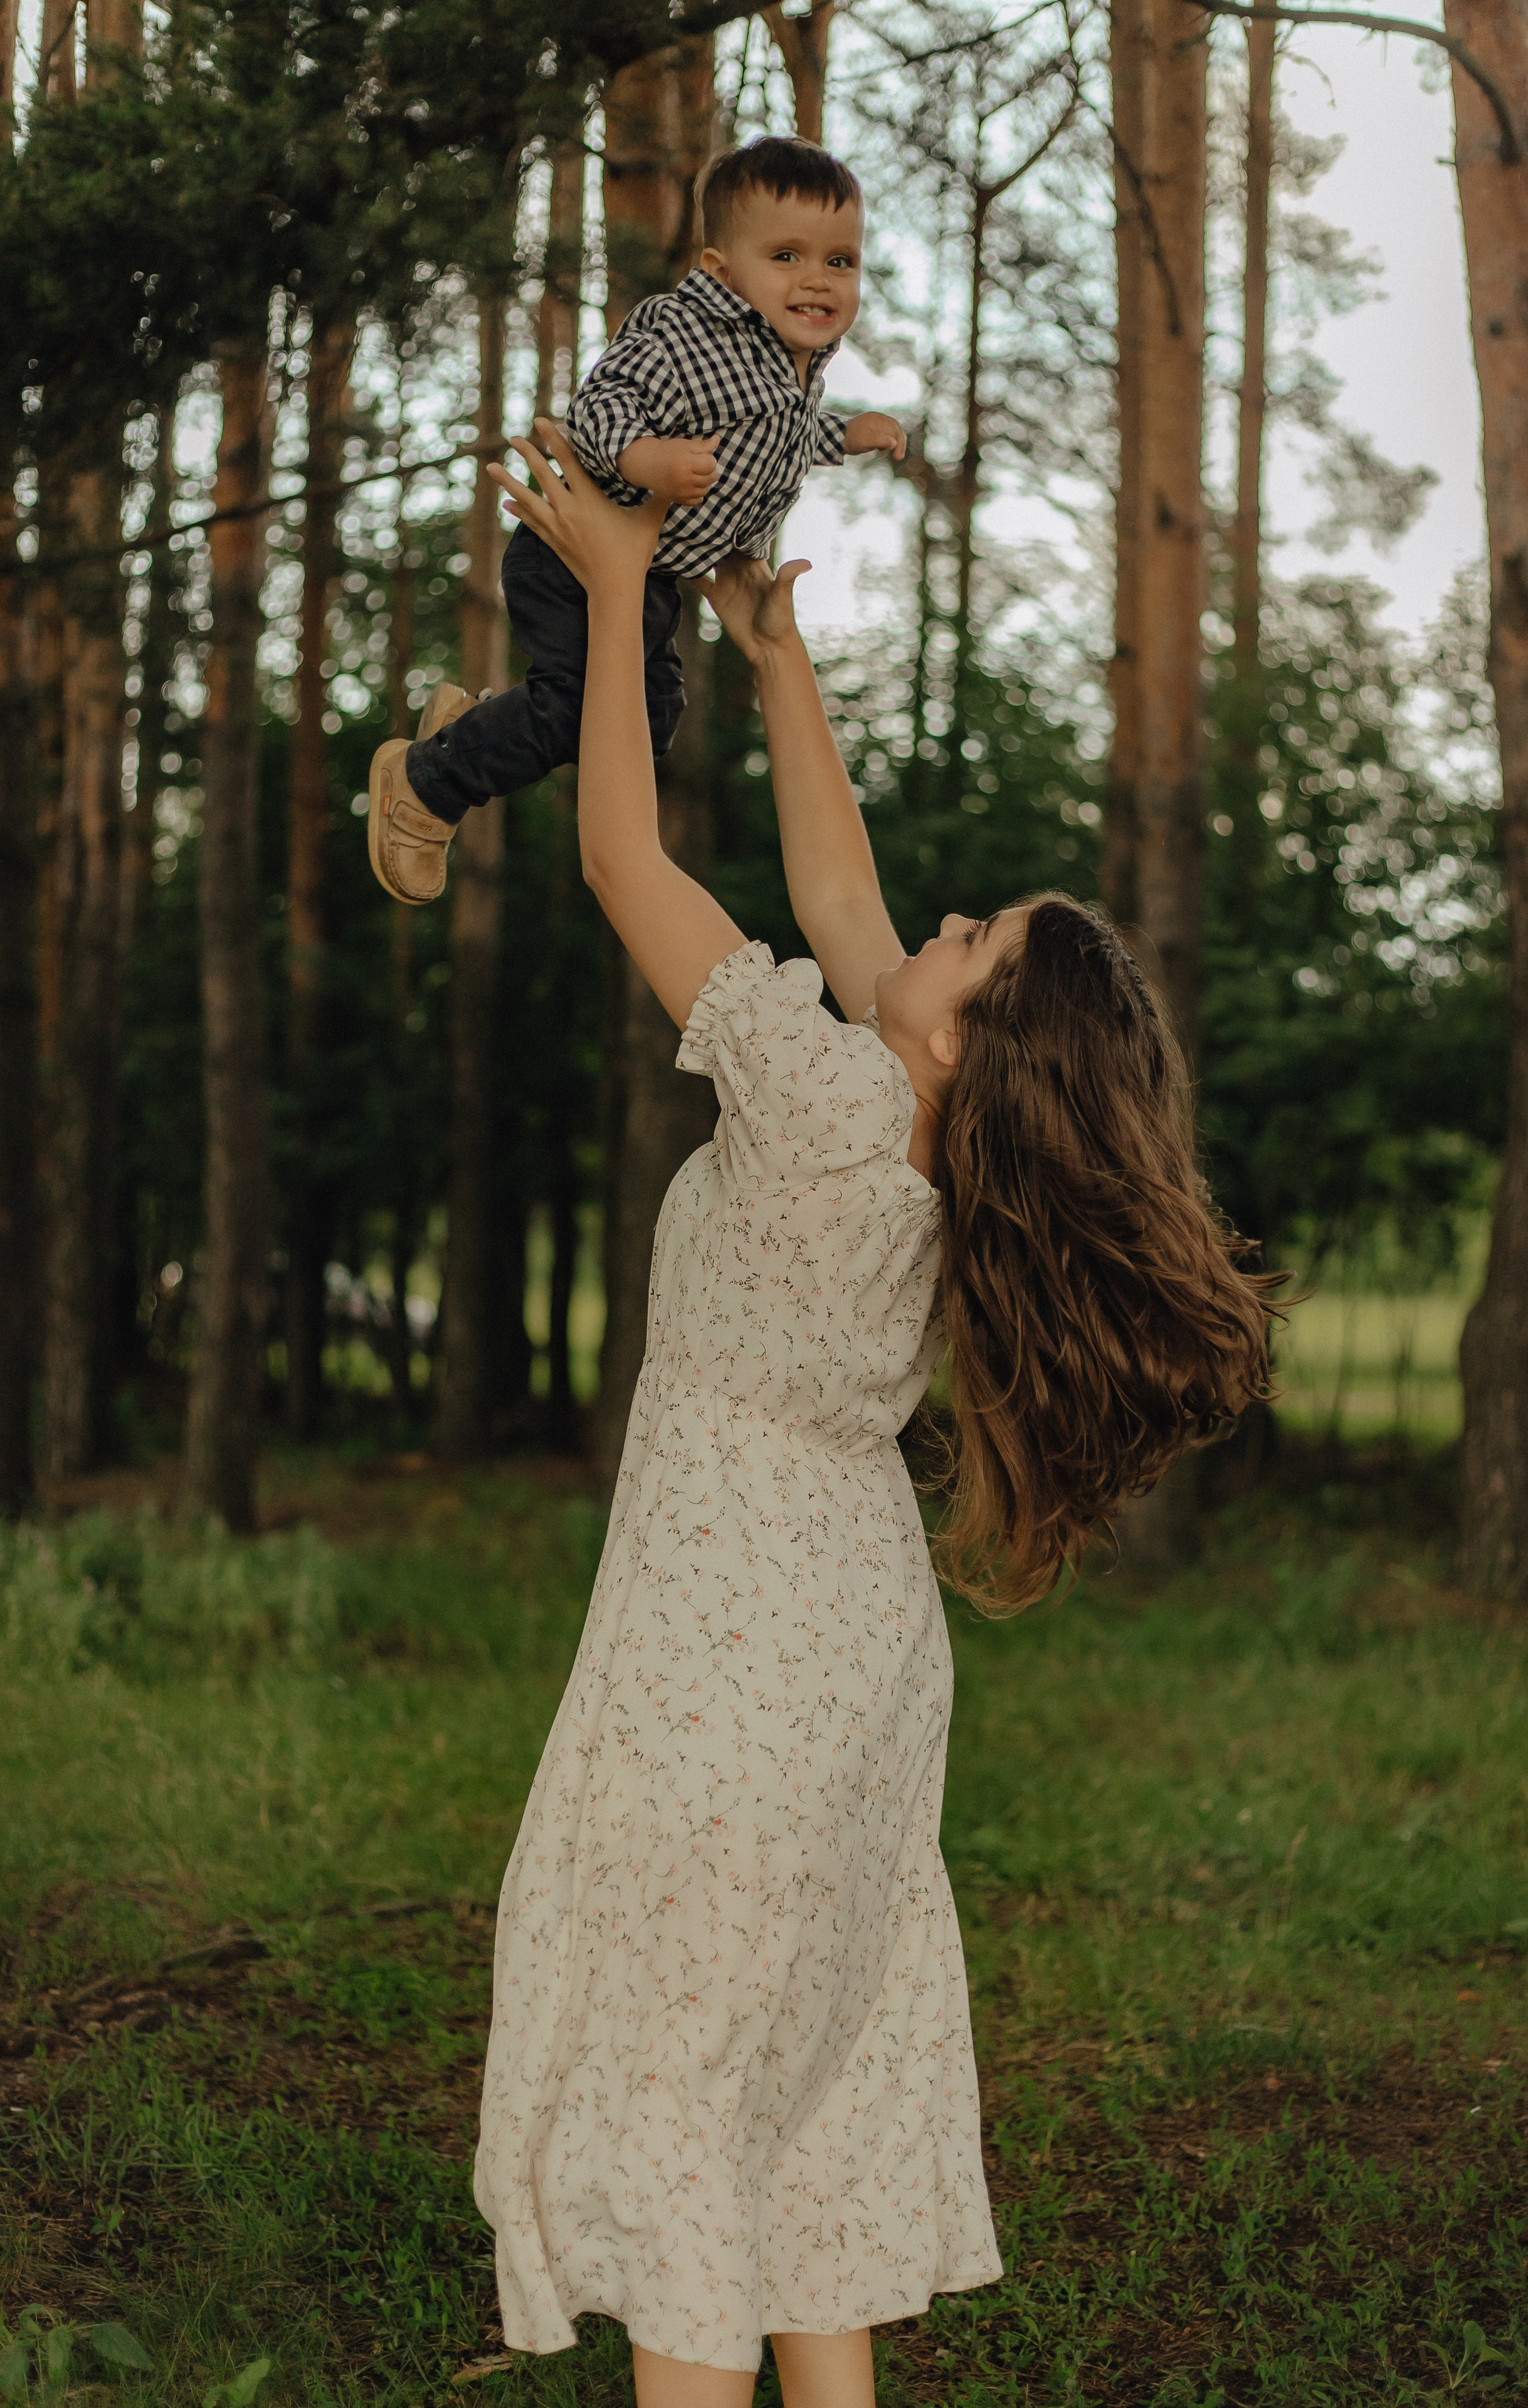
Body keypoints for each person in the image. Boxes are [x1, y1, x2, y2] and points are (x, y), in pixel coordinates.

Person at [470, 421, 1277, 2408]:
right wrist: (768, 649)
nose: (935, 925)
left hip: (720, 1653)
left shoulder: (825, 1097)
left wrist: (601, 590)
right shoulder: (939, 1150)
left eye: (973, 938)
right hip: (846, 1650)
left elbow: (616, 861)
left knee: (678, 2074)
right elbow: (844, 902)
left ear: (968, 1026)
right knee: (798, 2100)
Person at [366, 136, 905, 907]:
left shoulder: (793, 361)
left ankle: (473, 729)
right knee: (574, 707)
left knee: (643, 731)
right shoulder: (687, 331)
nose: (818, 279)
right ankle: (426, 784)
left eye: (840, 261)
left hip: (649, 576)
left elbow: (781, 436)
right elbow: (603, 403)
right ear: (722, 271)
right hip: (576, 555)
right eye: (786, 256)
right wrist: (647, 459)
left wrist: (845, 435)